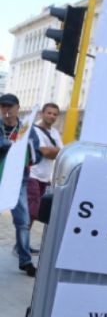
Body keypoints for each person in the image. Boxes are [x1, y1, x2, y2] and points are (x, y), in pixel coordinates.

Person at [0, 93, 42, 277]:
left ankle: (25, 261)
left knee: (23, 222)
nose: (6, 110)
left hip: (18, 181)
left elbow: (37, 154)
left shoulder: (26, 128)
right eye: (3, 106)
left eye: (10, 106)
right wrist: (12, 145)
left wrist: (29, 153)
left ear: (18, 108)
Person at [29, 102, 62, 223]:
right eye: (49, 113)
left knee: (39, 212)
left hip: (45, 178)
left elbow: (62, 154)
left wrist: (53, 152)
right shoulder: (34, 130)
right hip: (32, 175)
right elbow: (45, 152)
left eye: (55, 114)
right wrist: (55, 151)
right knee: (32, 212)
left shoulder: (55, 133)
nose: (52, 116)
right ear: (42, 113)